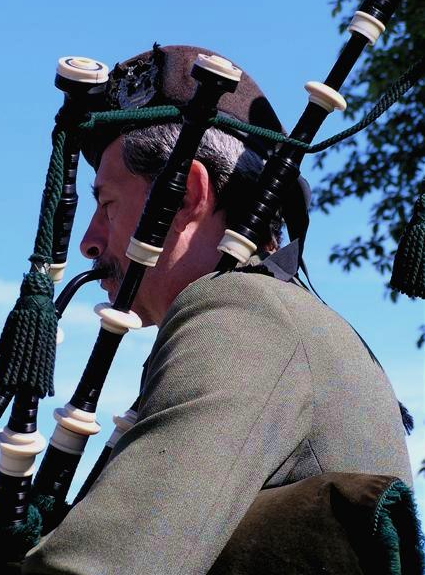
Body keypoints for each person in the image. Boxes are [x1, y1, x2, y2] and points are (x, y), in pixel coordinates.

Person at [22, 45, 413, 575]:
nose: (90, 242)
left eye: (107, 204)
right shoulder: (274, 315)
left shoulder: (244, 313)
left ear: (185, 194)